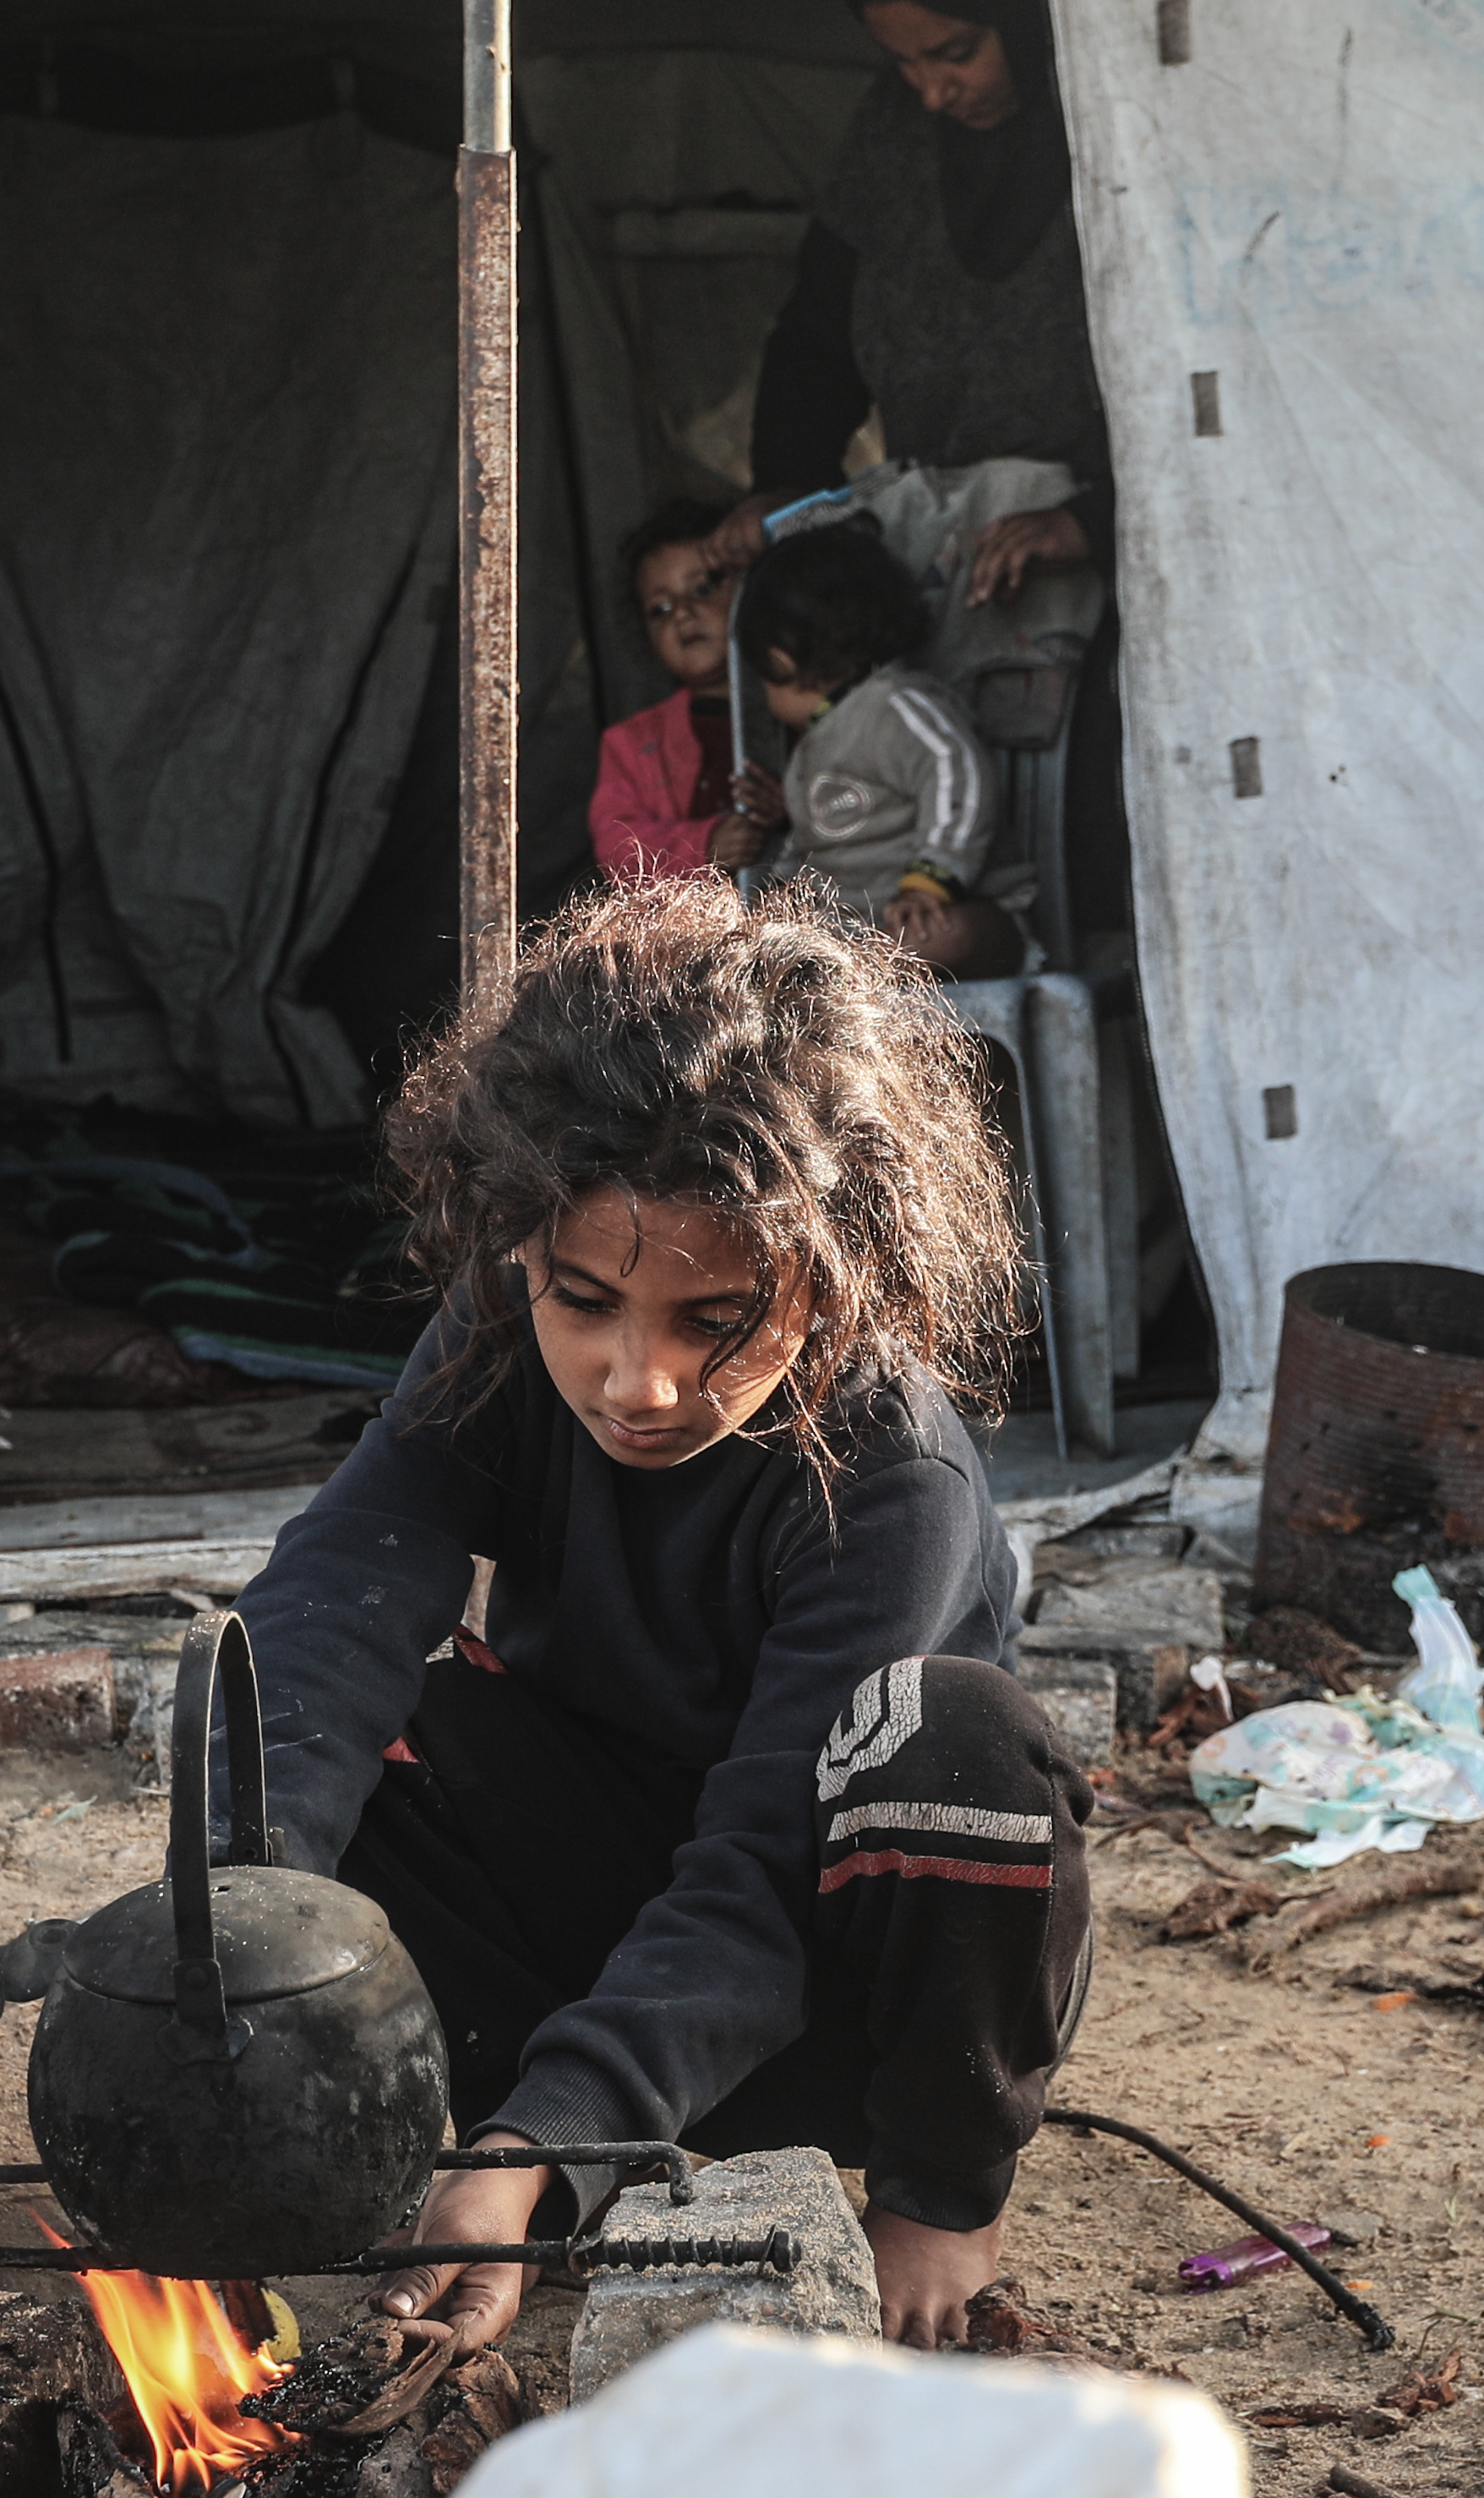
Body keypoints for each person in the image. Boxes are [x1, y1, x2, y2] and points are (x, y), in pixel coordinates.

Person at [219, 872, 1091, 2354]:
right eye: (585, 1302)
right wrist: (243, 1916)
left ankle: (941, 2190)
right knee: (303, 1708)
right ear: (520, 1252)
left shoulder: (893, 1470)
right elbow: (341, 1587)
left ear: (837, 1274)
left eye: (715, 1320)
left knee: (964, 1742)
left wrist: (543, 2143)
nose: (641, 1383)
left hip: (833, 1994)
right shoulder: (495, 1332)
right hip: (596, 1947)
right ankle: (492, 2114)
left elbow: (761, 1861)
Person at [727, 0, 1110, 617]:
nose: (932, 93)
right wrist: (786, 489)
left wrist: (1093, 522)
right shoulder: (894, 137)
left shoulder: (1123, 128)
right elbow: (818, 335)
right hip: (952, 564)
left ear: (1029, 4)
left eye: (956, 53)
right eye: (903, 64)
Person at [716, 520, 1031, 981]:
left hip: (959, 908)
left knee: (942, 937)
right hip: (867, 934)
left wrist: (931, 882)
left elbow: (957, 771)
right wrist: (776, 897)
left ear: (780, 662)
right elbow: (812, 846)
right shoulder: (812, 750)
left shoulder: (895, 705)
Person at [584, 503, 748, 886]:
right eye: (660, 609)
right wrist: (705, 845)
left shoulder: (798, 704)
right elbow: (616, 847)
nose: (682, 614)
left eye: (704, 588)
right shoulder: (631, 743)